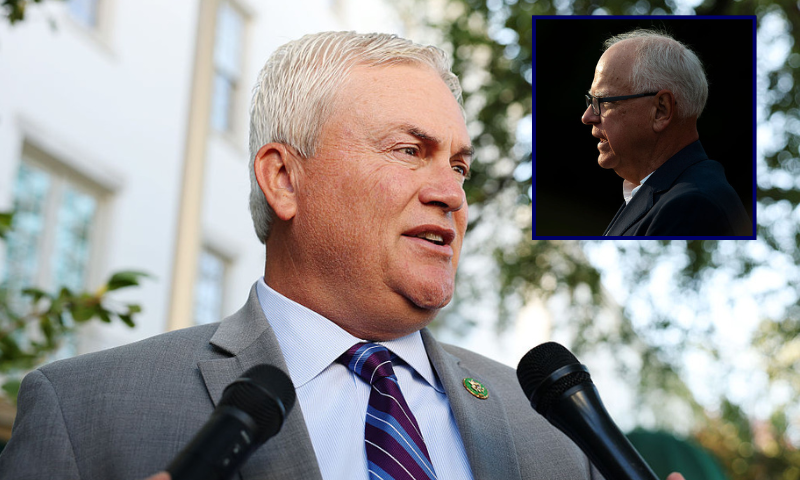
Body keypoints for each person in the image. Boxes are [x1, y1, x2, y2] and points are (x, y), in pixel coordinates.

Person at [1, 31, 684, 480]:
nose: (450, 192)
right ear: (284, 178)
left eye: (460, 166)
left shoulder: (555, 434)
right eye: (409, 150)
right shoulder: (83, 415)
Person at [581, 29, 751, 237]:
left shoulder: (691, 205)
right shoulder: (662, 194)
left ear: (661, 110)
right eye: (591, 101)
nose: (587, 116)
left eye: (603, 101)